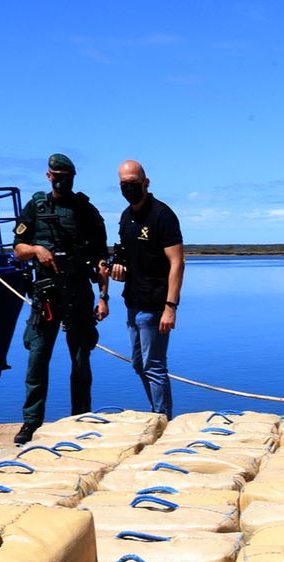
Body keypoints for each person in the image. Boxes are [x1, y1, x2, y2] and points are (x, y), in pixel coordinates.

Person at [10, 153, 109, 445]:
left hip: (78, 292)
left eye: (68, 176)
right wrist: (37, 250)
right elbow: (17, 249)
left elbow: (102, 257)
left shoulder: (86, 211)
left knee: (81, 360)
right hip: (46, 296)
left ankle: (80, 418)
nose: (62, 181)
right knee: (37, 359)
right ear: (48, 175)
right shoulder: (36, 207)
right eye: (58, 175)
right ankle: (31, 422)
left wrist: (103, 297)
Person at [110, 160, 185, 419]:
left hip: (156, 305)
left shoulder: (162, 215)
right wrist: (118, 267)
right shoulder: (125, 216)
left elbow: (177, 262)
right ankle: (156, 412)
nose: (128, 188)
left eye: (133, 183)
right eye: (123, 184)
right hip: (133, 302)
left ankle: (162, 418)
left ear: (146, 182)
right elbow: (128, 255)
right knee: (138, 364)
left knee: (154, 366)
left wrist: (170, 307)